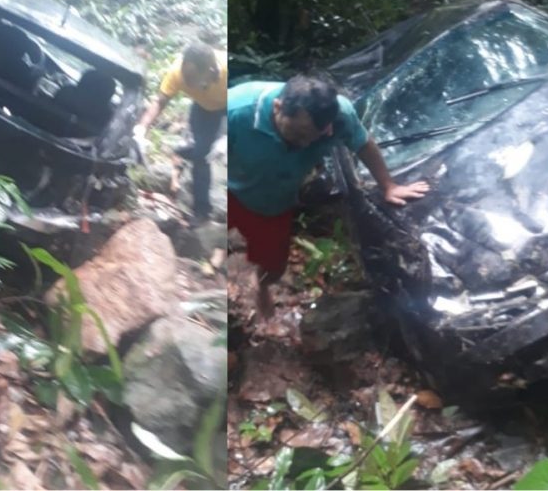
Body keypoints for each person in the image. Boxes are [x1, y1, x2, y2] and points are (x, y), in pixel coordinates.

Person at [228, 75, 430, 320]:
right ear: (278, 107)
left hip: (275, 201)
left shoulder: (340, 116)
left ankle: (261, 288)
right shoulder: (236, 109)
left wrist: (388, 185)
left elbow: (364, 143)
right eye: (298, 133)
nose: (305, 144)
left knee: (273, 266)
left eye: (314, 136)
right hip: (230, 190)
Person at [134, 41, 227, 226]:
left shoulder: (227, 71)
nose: (188, 83)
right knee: (202, 153)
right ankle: (201, 209)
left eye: (193, 80)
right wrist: (141, 128)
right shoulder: (177, 73)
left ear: (209, 71)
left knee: (205, 154)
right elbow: (160, 102)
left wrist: (225, 137)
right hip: (201, 108)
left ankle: (204, 210)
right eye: (186, 78)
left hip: (227, 110)